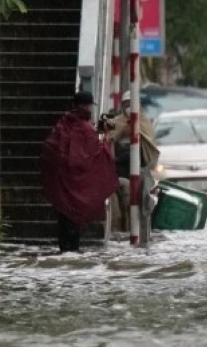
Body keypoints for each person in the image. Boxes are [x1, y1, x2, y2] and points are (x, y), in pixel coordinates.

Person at [41, 91, 118, 252]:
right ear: (87, 107)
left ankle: (64, 255)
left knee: (63, 222)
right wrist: (105, 137)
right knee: (73, 225)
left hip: (61, 185)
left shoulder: (62, 124)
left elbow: (50, 149)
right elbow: (95, 154)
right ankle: (72, 258)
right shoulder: (85, 128)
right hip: (77, 188)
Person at [104, 92, 160, 236]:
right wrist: (121, 132)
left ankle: (140, 228)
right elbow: (109, 139)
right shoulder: (116, 122)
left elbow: (150, 143)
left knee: (142, 198)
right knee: (123, 199)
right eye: (126, 105)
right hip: (120, 168)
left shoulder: (144, 121)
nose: (129, 108)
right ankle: (123, 227)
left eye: (132, 104)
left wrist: (136, 132)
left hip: (140, 167)